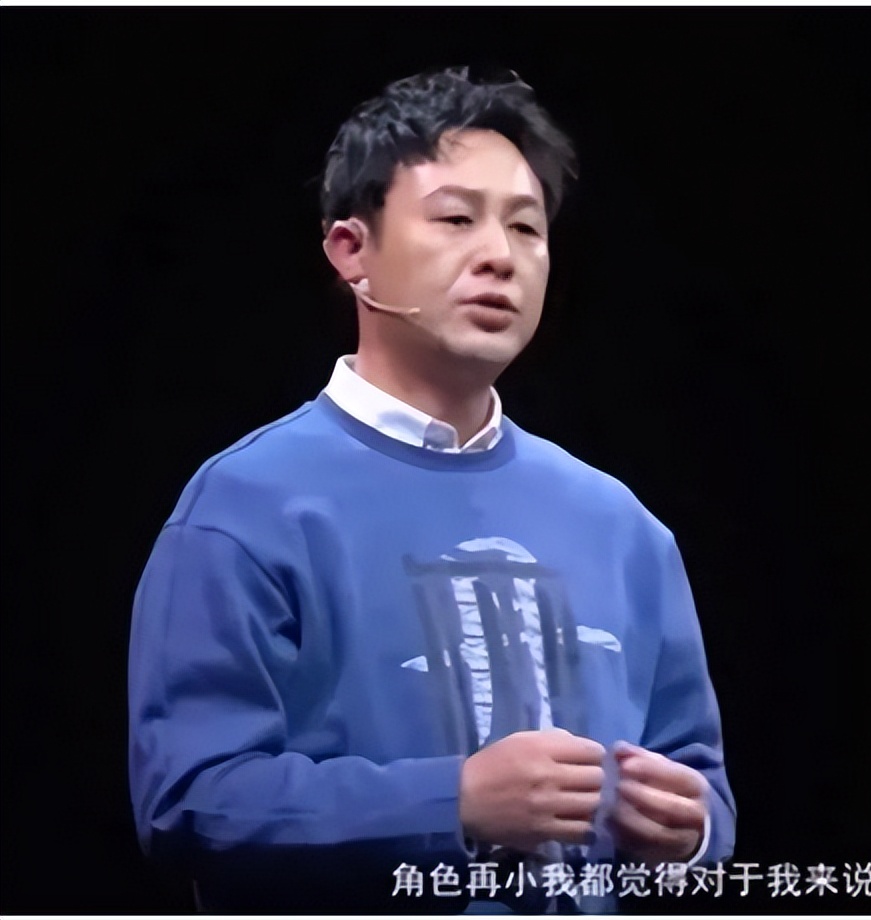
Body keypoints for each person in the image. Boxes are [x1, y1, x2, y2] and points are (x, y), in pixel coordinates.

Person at [127, 65, 735, 913]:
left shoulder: (620, 525)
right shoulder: (248, 506)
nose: (499, 256)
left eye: (526, 228)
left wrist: (690, 830)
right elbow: (192, 800)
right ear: (352, 251)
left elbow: (701, 783)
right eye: (456, 219)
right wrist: (452, 803)